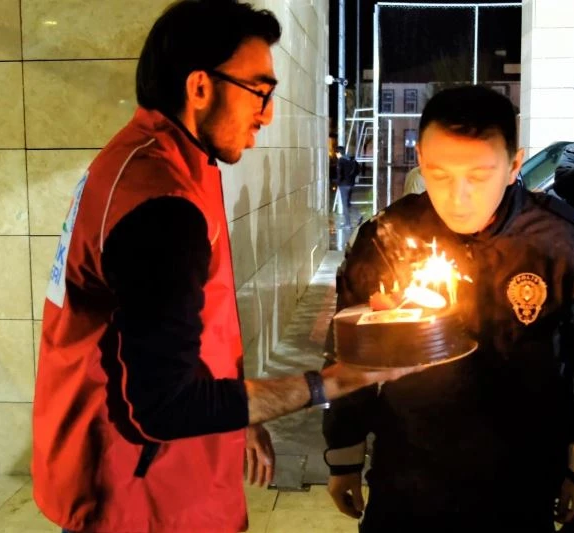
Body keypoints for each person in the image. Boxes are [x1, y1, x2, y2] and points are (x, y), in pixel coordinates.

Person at [31, 3, 417, 532]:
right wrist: (335, 381)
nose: (268, 113)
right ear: (199, 87)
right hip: (141, 492)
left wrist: (240, 414)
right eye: (259, 91)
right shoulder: (160, 204)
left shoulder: (158, 160)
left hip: (161, 470)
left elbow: (181, 332)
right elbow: (164, 407)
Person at [322, 85, 574, 532]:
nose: (458, 196)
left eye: (478, 176)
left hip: (522, 480)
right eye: (440, 174)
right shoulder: (389, 238)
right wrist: (344, 451)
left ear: (515, 165)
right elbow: (350, 351)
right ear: (420, 159)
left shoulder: (565, 245)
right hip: (408, 472)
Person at [336, 146, 360, 225]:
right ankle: (358, 216)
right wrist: (352, 178)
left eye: (336, 153)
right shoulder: (351, 160)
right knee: (348, 203)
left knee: (345, 205)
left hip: (344, 185)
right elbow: (357, 170)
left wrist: (338, 182)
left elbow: (340, 174)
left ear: (339, 153)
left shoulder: (341, 161)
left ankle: (347, 224)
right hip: (351, 184)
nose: (336, 155)